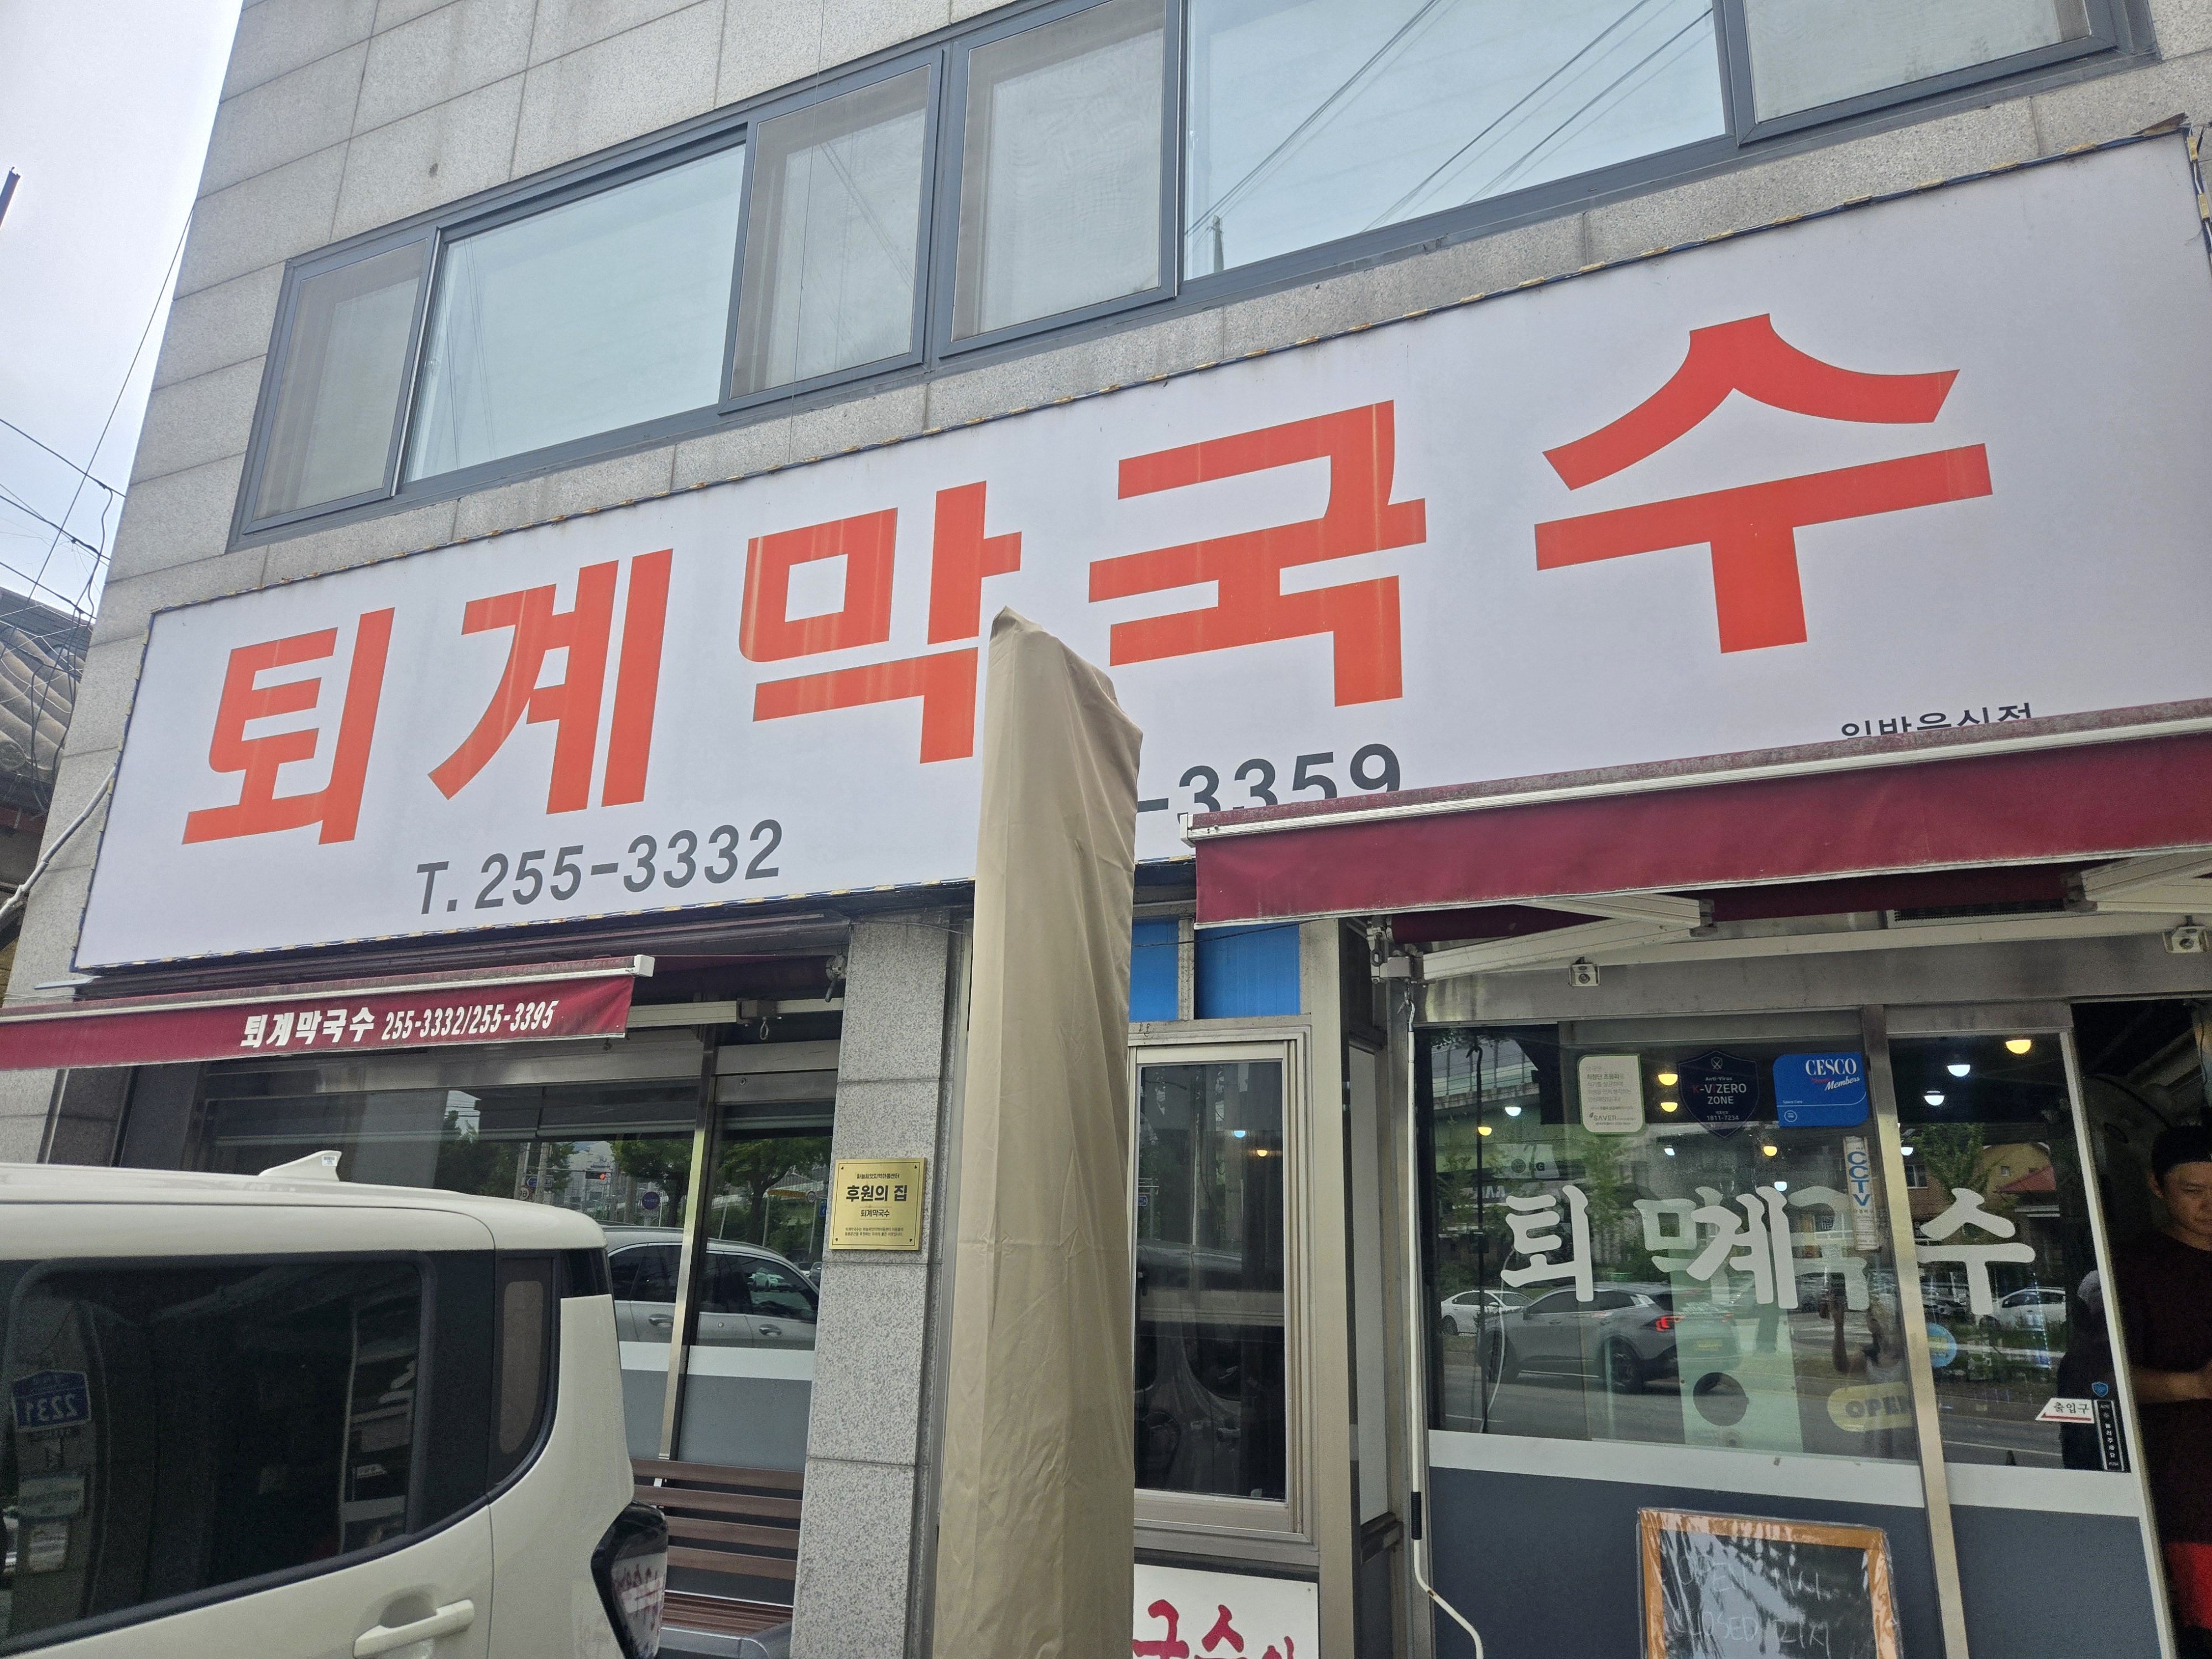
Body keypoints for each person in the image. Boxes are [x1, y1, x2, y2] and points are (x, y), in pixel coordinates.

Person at [2115, 1125, 2212, 1655]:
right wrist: (2194, 1384)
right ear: (2157, 1186)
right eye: (2193, 1191)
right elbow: (2098, 1383)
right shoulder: (2132, 1270)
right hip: (2194, 1499)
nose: (2210, 1206)